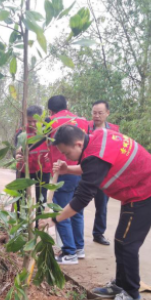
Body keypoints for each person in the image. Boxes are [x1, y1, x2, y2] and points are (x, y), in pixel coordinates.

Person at [40, 125, 151, 300]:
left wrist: (54, 220)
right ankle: (121, 284)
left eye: (67, 153)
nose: (67, 156)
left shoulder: (95, 155)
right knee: (121, 240)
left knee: (127, 243)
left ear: (78, 143)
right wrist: (69, 169)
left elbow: (82, 198)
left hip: (147, 190)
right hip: (136, 189)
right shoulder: (96, 138)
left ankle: (132, 296)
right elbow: (92, 166)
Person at [46, 96, 89, 265]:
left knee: (61, 211)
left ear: (50, 111)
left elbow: (43, 145)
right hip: (81, 169)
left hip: (63, 172)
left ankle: (69, 252)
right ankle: (79, 248)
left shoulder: (50, 122)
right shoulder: (82, 121)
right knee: (76, 209)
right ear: (67, 106)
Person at [88, 101, 120, 246]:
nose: (97, 116)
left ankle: (98, 233)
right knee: (78, 203)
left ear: (107, 113)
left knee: (102, 206)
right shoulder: (85, 128)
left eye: (100, 113)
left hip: (104, 174)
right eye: (94, 112)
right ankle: (74, 236)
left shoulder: (114, 131)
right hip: (86, 173)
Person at [15, 106, 52, 222]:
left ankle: (38, 225)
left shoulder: (48, 131)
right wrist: (16, 154)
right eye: (29, 121)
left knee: (41, 199)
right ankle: (22, 224)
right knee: (20, 198)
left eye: (35, 121)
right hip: (23, 169)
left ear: (41, 119)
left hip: (42, 170)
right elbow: (15, 149)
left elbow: (55, 148)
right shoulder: (21, 132)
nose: (32, 124)